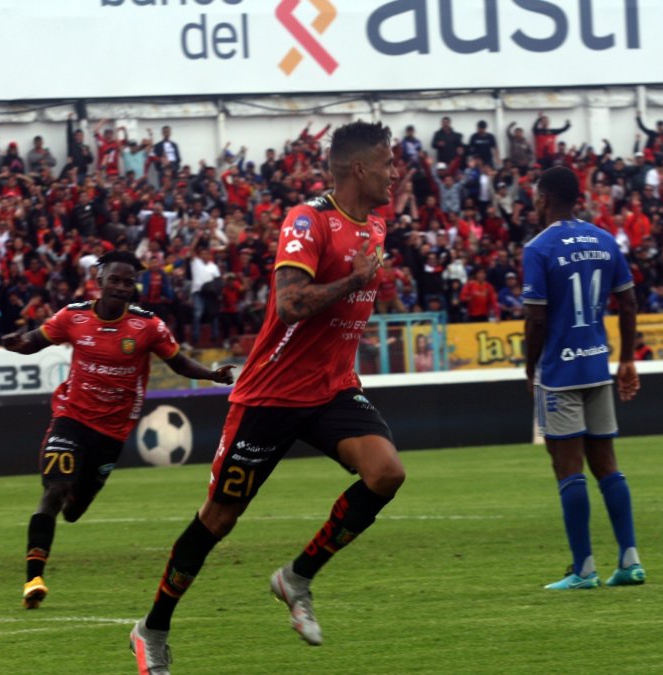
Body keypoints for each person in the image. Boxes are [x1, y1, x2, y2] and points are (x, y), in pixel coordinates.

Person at [130, 121, 405, 672]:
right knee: (218, 520)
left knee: (386, 473)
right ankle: (151, 629)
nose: (394, 172)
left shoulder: (375, 226)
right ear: (359, 168)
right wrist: (351, 283)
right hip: (271, 395)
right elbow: (289, 305)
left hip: (331, 391)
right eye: (387, 162)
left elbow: (347, 311)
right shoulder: (307, 221)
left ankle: (296, 577)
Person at [1, 250, 234, 610]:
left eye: (129, 282)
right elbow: (35, 339)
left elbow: (177, 361)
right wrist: (18, 343)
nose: (123, 287)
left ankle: (73, 504)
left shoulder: (148, 326)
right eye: (116, 280)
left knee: (74, 510)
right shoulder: (73, 316)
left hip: (111, 434)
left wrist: (211, 375)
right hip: (71, 419)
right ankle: (34, 578)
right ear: (100, 280)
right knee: (54, 490)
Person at [521, 165, 644, 591]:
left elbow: (535, 319)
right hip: (596, 365)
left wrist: (528, 366)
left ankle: (584, 569)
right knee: (607, 464)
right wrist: (627, 359)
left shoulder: (538, 248)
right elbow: (628, 303)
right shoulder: (605, 239)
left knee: (567, 467)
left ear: (543, 199)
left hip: (559, 372)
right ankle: (629, 560)